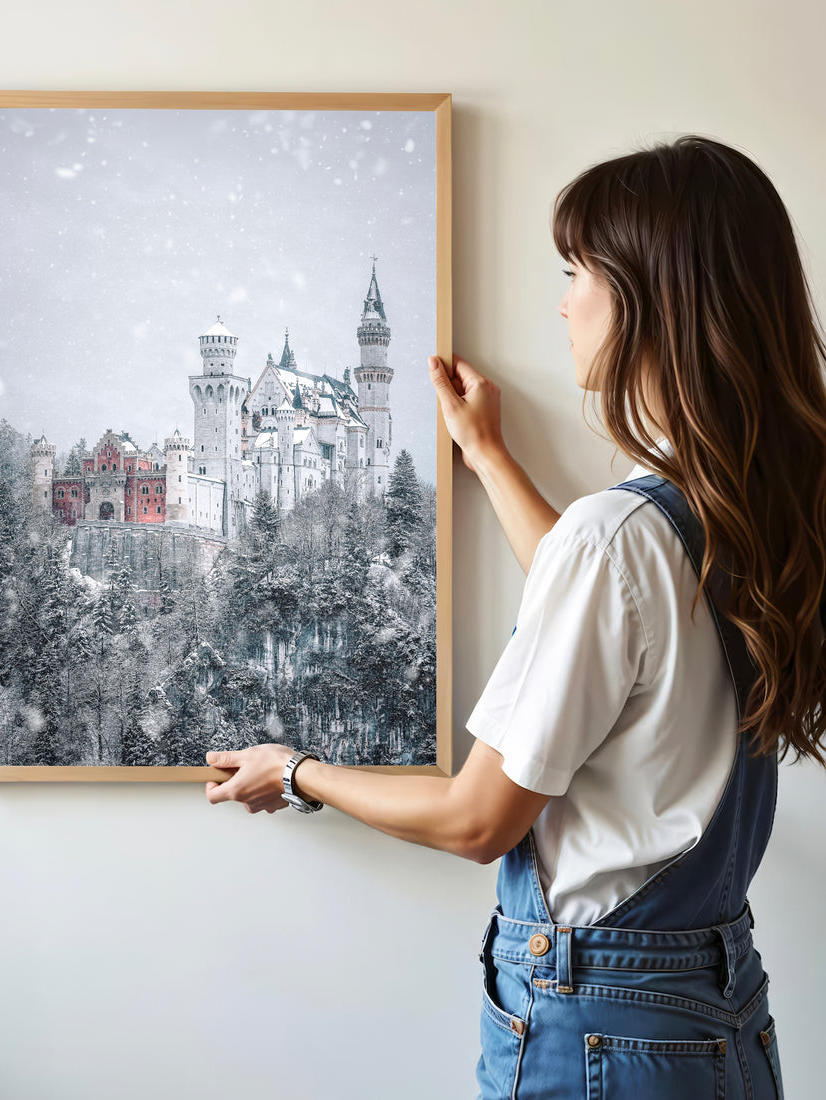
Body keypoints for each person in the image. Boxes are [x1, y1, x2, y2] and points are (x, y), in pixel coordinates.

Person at [204, 134, 826, 1098]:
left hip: (600, 1032)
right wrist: (489, 456)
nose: (564, 302)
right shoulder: (746, 512)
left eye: (578, 273)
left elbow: (476, 819)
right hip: (716, 1018)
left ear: (650, 300)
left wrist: (294, 772)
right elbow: (610, 619)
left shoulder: (620, 537)